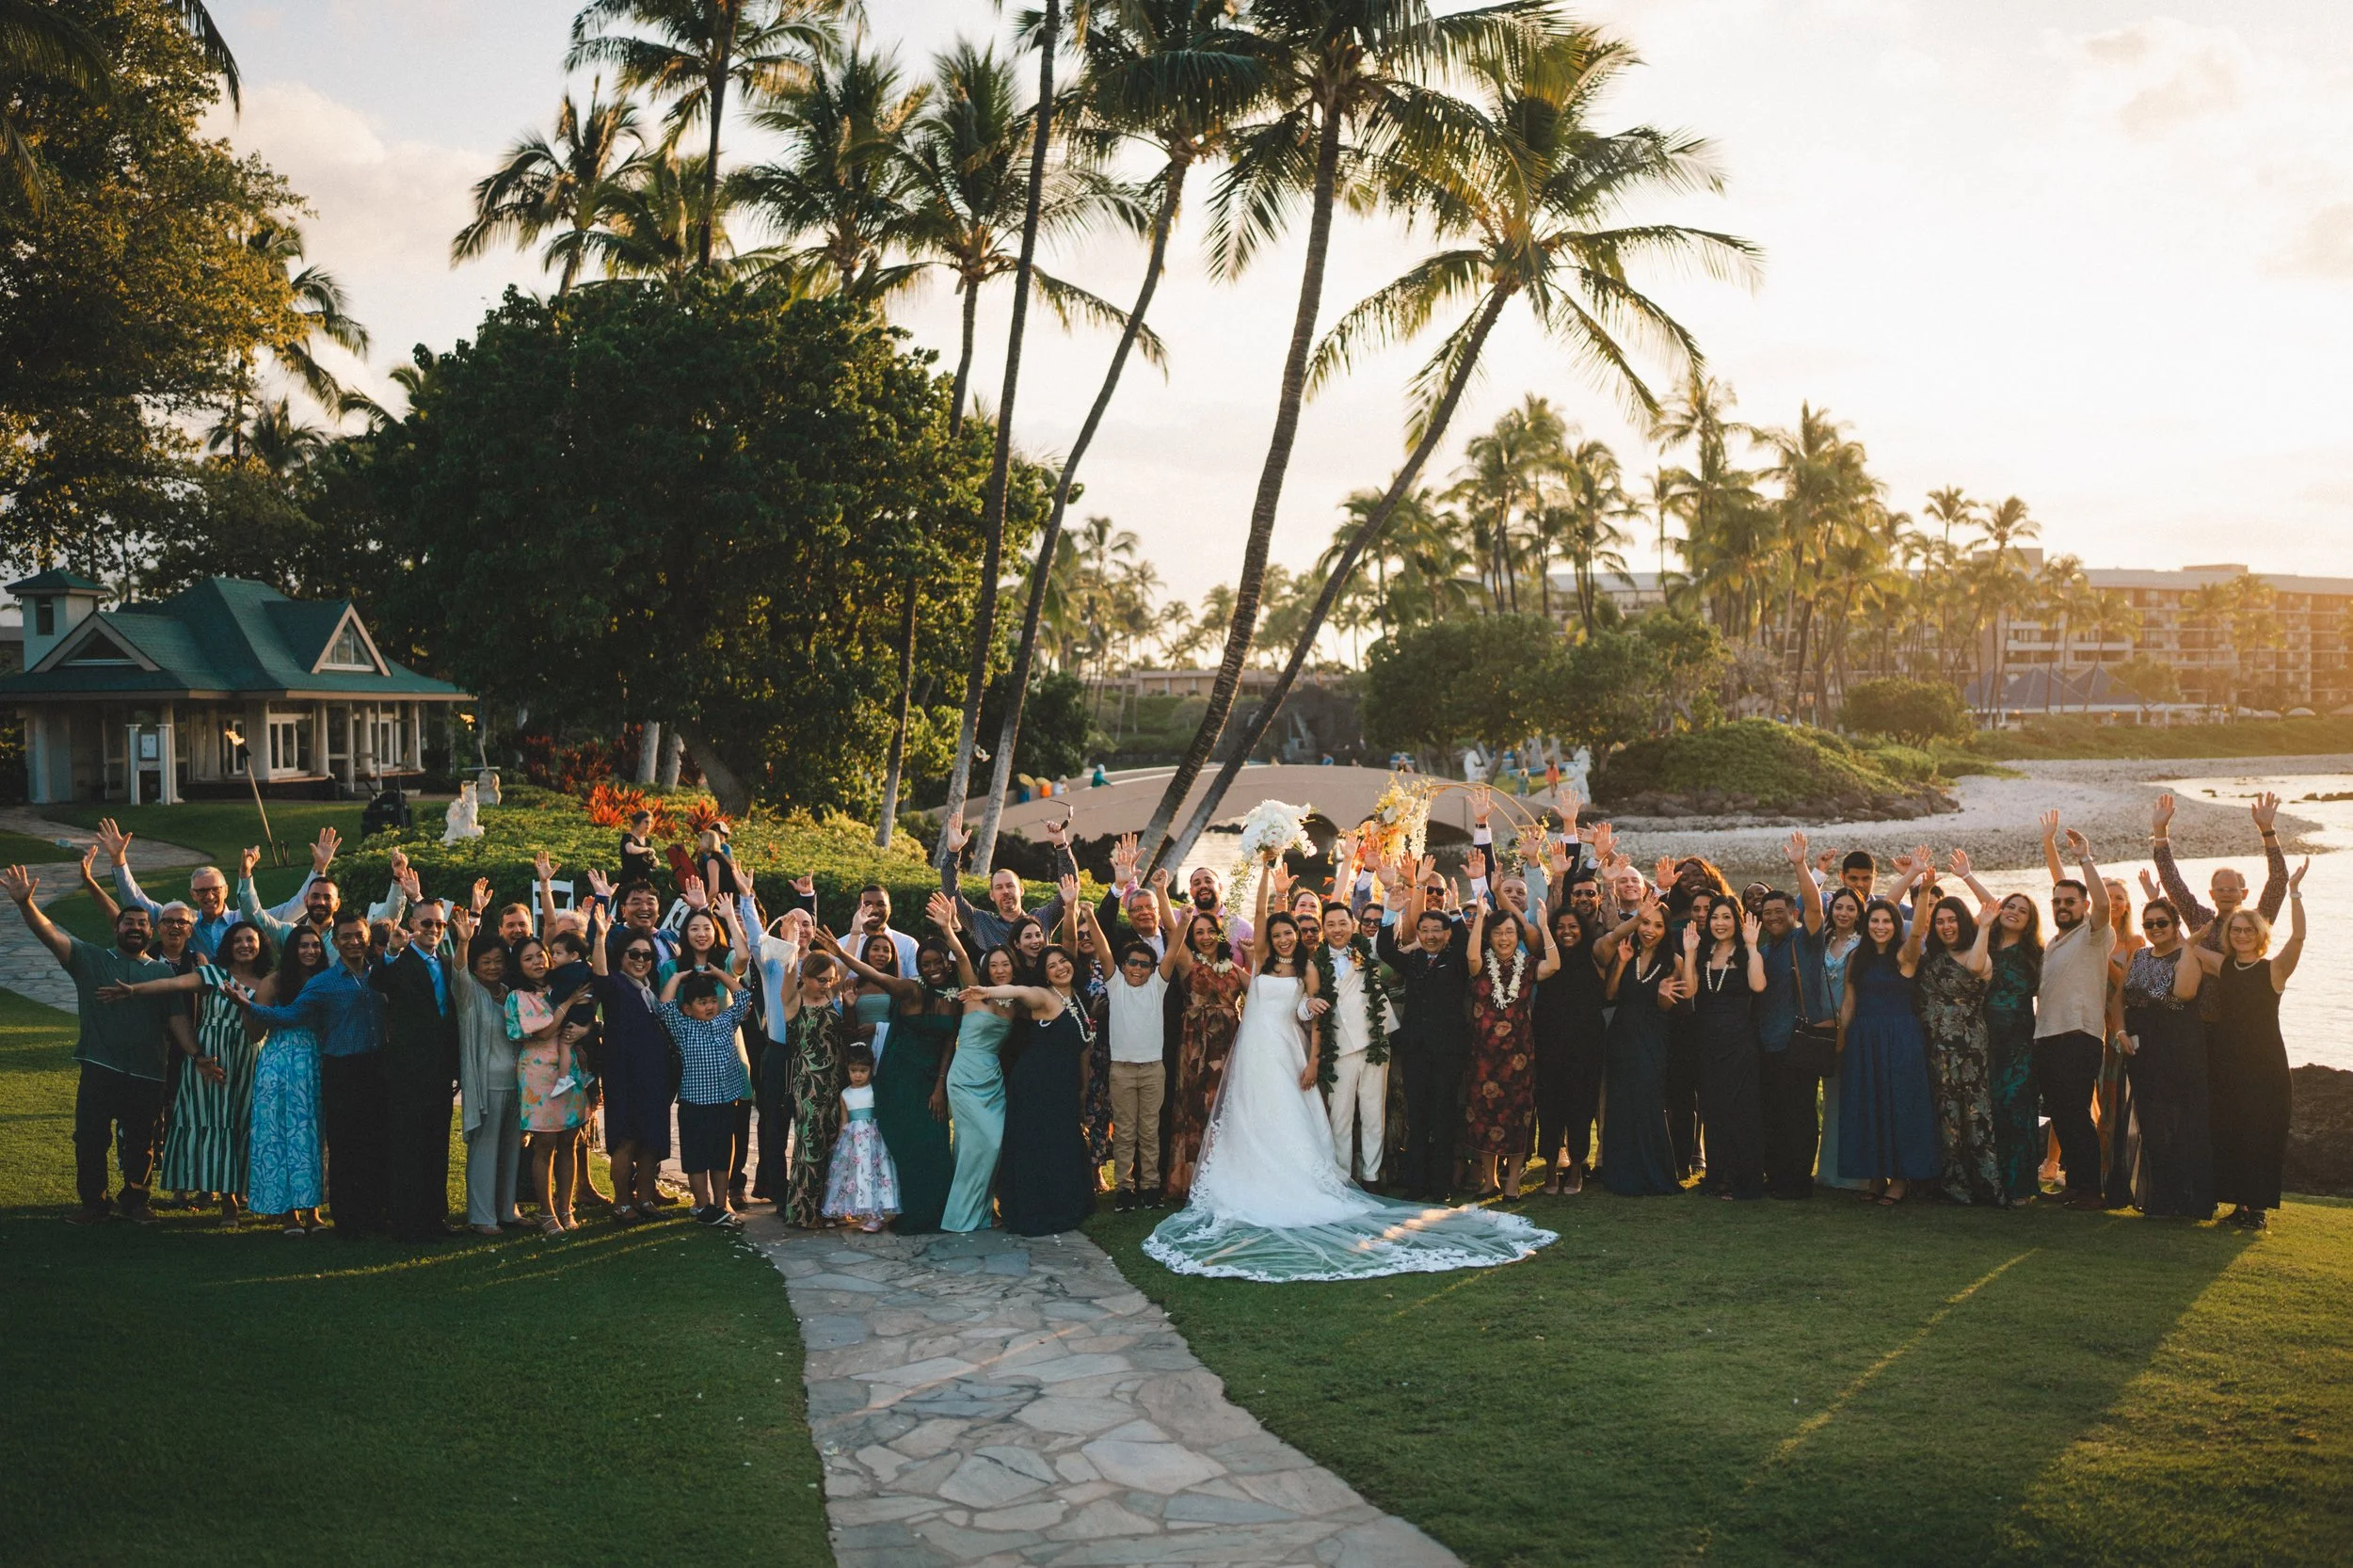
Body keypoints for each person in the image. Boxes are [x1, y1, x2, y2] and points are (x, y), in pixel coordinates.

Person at [1142, 848, 1556, 1282]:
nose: (1286, 937)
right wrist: (1271, 881)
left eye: (1299, 931)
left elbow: (1311, 1007)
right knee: (1264, 1117)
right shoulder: (1268, 961)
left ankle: (1370, 1178)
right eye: (1282, 932)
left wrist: (1312, 1017)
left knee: (1354, 1117)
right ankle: (1279, 1176)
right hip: (1260, 1052)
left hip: (1319, 1049)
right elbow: (1275, 939)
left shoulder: (1341, 957)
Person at [7, 865, 190, 1228]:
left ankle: (136, 1202)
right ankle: (94, 1204)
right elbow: (51, 936)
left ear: (150, 932)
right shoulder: (91, 959)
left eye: (141, 924)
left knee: (141, 1142)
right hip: (99, 1066)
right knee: (90, 1138)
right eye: (128, 923)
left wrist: (197, 1055)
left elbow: (177, 1020)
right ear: (117, 928)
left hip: (149, 1070)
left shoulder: (163, 974)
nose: (135, 928)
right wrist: (25, 905)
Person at [99, 920, 273, 1225]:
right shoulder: (214, 975)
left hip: (249, 1058)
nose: (245, 945)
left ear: (261, 945)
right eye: (239, 940)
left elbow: (265, 1026)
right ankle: (227, 1201)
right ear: (229, 946)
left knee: (244, 1123)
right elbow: (173, 984)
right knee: (215, 1124)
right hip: (211, 1060)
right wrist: (134, 989)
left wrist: (247, 1005)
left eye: (251, 940)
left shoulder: (268, 983)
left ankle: (245, 1190)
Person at [238, 906, 391, 1239]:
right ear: (335, 941)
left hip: (377, 1067)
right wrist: (248, 1006)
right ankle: (348, 1219)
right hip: (341, 1067)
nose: (353, 942)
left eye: (359, 936)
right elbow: (290, 1016)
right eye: (346, 937)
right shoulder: (323, 983)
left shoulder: (379, 974)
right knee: (344, 1146)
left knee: (376, 1143)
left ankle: (375, 1211)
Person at [815, 912, 960, 1236]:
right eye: (926, 964)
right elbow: (877, 977)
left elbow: (950, 1042)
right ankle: (907, 1211)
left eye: (938, 962)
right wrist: (842, 956)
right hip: (899, 1077)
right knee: (905, 1145)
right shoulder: (910, 990)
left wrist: (940, 1086)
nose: (933, 969)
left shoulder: (956, 997)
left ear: (947, 964)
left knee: (934, 1145)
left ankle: (937, 1213)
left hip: (930, 1079)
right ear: (919, 968)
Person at [2201, 865, 2304, 1230]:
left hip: (2266, 1068)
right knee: (2234, 1133)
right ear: (2229, 935)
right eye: (2236, 930)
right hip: (2229, 1065)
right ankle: (2240, 1207)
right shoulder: (2224, 966)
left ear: (2259, 935)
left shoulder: (2273, 971)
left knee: (2262, 1136)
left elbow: (2298, 939)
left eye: (2248, 930)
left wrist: (2294, 894)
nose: (2242, 935)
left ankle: (2256, 1210)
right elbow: (2190, 950)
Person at [971, 944, 1096, 1235]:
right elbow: (1019, 992)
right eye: (1051, 966)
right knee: (1038, 1145)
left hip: (1062, 1084)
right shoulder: (1046, 997)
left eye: (1063, 961)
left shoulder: (1077, 998)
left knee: (1062, 1143)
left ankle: (1067, 1203)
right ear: (1045, 975)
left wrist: (1083, 1087)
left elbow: (1083, 1050)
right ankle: (1035, 1208)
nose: (1060, 968)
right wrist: (988, 992)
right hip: (1036, 1083)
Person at [1835, 884, 1941, 1205]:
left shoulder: (1905, 956)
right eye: (1875, 921)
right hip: (1864, 1038)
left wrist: (1921, 895)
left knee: (1899, 1105)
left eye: (1887, 922)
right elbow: (1849, 1003)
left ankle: (1900, 1178)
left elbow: (1918, 932)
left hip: (1900, 1037)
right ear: (1867, 926)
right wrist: (1841, 1043)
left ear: (1896, 925)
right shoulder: (1857, 957)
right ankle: (1875, 1176)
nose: (1881, 927)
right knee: (1868, 1104)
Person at [1376, 857, 1474, 1203]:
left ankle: (1441, 1185)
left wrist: (1453, 907)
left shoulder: (1458, 959)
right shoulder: (1414, 960)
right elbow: (1384, 948)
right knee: (1418, 1118)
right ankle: (1416, 1184)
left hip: (1449, 1051)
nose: (1431, 936)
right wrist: (1391, 909)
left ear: (1446, 935)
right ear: (1419, 935)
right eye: (1425, 931)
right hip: (1416, 1049)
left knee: (1444, 1115)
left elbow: (1465, 942)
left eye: (1437, 931)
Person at [1081, 870, 1176, 1211]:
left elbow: (1174, 945)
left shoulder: (1158, 985)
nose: (1137, 967)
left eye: (1144, 963)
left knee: (1149, 1131)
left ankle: (1150, 1186)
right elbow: (1104, 950)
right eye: (1132, 963)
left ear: (1154, 968)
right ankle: (1125, 1186)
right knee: (1123, 1131)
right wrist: (1090, 915)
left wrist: (1184, 917)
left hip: (1153, 1069)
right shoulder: (1116, 984)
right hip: (1121, 1070)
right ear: (1123, 966)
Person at [370, 899, 462, 1240]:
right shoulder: (399, 961)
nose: (434, 930)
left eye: (439, 925)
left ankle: (435, 1216)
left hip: (440, 1070)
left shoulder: (449, 964)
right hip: (406, 1070)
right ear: (413, 924)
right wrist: (391, 952)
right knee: (407, 1146)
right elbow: (378, 981)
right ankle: (406, 1220)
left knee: (436, 1144)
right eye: (427, 924)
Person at [2032, 829, 2116, 1208]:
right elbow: (2061, 883)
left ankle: (2091, 1191)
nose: (2063, 906)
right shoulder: (2053, 943)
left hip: (2078, 1036)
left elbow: (2103, 904)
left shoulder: (2094, 936)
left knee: (2076, 1116)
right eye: (2057, 902)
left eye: (2070, 901)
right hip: (2047, 1036)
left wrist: (2085, 857)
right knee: (2062, 1117)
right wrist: (2049, 846)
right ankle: (2074, 1186)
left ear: (2082, 906)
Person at [2120, 898, 2214, 1220]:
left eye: (2162, 923)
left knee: (2178, 1125)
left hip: (2178, 1050)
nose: (2155, 929)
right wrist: (2119, 1031)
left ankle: (2183, 1200)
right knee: (2150, 1123)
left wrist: (2191, 945)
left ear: (2175, 925)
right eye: (2149, 924)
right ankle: (2159, 1196)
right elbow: (2120, 997)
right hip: (2140, 1050)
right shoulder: (2139, 955)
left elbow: (2185, 992)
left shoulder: (2187, 954)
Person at [1464, 899, 1561, 1200]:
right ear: (1489, 937)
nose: (1504, 939)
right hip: (1484, 1054)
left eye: (1509, 932)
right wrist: (1481, 917)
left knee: (1517, 1114)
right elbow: (1470, 957)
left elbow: (1555, 964)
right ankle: (1489, 1180)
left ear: (1517, 937)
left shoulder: (1528, 966)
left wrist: (1544, 927)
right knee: (1483, 1114)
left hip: (1518, 1055)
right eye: (1497, 933)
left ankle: (1512, 1182)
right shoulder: (1480, 964)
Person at [1915, 878, 2002, 1207]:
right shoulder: (1931, 959)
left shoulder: (1974, 953)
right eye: (1939, 922)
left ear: (1963, 922)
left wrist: (1984, 928)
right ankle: (1950, 1185)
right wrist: (1923, 891)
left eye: (1952, 920)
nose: (1946, 927)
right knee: (1943, 1114)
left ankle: (1982, 1185)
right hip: (1934, 1047)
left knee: (1973, 1114)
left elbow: (1976, 967)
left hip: (1968, 1050)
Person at [1754, 833, 1830, 1200]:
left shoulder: (1806, 941)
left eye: (1779, 912)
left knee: (1799, 1113)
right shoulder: (1762, 948)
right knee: (1771, 1112)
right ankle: (1777, 1175)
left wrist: (1801, 865)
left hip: (1797, 1041)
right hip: (1765, 1043)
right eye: (1766, 914)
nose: (1772, 918)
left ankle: (1798, 1179)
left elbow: (1815, 909)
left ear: (1792, 914)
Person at [585, 904, 671, 1220]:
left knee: (651, 1140)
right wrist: (600, 937)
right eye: (633, 954)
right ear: (621, 956)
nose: (640, 961)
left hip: (654, 1075)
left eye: (646, 956)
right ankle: (622, 1202)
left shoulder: (651, 990)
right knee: (626, 1139)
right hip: (624, 1075)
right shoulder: (616, 986)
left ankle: (645, 1199)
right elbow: (599, 975)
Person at [1679, 901, 1768, 1201]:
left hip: (1739, 1040)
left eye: (1726, 917)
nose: (1719, 922)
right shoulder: (1703, 954)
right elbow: (1689, 992)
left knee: (1740, 1110)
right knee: (1713, 1108)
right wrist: (1690, 953)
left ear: (1737, 920)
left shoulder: (1745, 953)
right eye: (1715, 917)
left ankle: (1743, 1180)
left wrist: (1753, 945)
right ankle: (1717, 1176)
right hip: (1706, 1039)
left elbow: (1758, 985)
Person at [659, 957, 756, 1228]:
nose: (710, 1006)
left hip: (725, 1102)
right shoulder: (684, 1027)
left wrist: (719, 974)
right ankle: (702, 1205)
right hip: (694, 1105)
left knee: (721, 1156)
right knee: (697, 1158)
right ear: (688, 1009)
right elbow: (665, 1005)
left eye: (712, 1001)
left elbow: (743, 996)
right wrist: (678, 978)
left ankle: (719, 1203)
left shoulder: (726, 1021)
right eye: (702, 1003)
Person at [1600, 894, 1685, 1197]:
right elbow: (1610, 995)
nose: (1649, 930)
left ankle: (1654, 1174)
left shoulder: (1674, 962)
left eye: (1657, 926)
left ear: (1666, 930)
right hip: (1622, 1036)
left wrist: (1662, 992)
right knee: (1622, 1104)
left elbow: (1666, 1007)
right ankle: (1621, 1173)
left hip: (1652, 1038)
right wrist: (1621, 964)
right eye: (1646, 923)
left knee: (1648, 1103)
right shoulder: (1627, 951)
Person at [1532, 891, 1615, 1196]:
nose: (1567, 932)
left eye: (1573, 927)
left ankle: (1577, 1168)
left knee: (1581, 1106)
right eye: (1561, 927)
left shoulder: (1593, 957)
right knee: (1550, 1106)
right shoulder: (1546, 959)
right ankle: (1551, 1170)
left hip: (1585, 1043)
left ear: (1582, 929)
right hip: (1549, 1041)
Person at [446, 908, 522, 1234]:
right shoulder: (470, 993)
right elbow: (459, 973)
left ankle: (507, 1210)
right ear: (477, 965)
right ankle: (481, 1217)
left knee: (511, 1150)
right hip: (486, 1084)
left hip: (515, 1084)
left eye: (497, 961)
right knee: (485, 1150)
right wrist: (464, 942)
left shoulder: (509, 995)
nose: (493, 967)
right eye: (486, 962)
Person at [1311, 895, 1394, 1192]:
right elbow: (1301, 1002)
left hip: (1374, 1042)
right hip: (1339, 1048)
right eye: (1330, 924)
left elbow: (1390, 934)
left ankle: (1371, 1177)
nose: (1337, 929)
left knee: (1374, 1114)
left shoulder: (1367, 950)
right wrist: (1309, 1004)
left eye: (1342, 923)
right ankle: (1342, 1178)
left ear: (1352, 925)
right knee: (1340, 1117)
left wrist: (1394, 901)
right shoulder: (1314, 962)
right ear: (1323, 929)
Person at [506, 934, 588, 1234]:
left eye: (540, 955)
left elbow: (587, 1013)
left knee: (570, 1139)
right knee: (545, 1144)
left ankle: (566, 1209)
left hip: (569, 1068)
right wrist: (568, 1003)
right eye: (528, 958)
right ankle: (546, 1212)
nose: (537, 962)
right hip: (538, 1072)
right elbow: (542, 1032)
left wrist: (584, 1028)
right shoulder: (519, 996)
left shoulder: (560, 984)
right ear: (519, 965)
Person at [1165, 908, 1246, 1201]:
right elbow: (1171, 924)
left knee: (1224, 1107)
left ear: (1220, 933)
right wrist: (1162, 891)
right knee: (1196, 1108)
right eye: (1198, 932)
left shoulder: (1233, 968)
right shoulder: (1188, 963)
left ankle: (1227, 1177)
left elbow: (1263, 988)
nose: (1205, 937)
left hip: (1228, 1044)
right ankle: (1194, 1180)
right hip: (1196, 1046)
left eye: (1210, 930)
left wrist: (1248, 957)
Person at [1982, 890, 2045, 1206]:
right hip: (1985, 1036)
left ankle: (2019, 1186)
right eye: (2010, 906)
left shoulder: (2034, 953)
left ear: (2030, 920)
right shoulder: (1986, 944)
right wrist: (1967, 876)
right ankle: (1990, 1182)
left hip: (2020, 1038)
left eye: (2023, 910)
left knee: (2017, 1110)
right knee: (1989, 1109)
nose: (2014, 912)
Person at [936, 814, 1077, 953]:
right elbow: (952, 897)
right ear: (991, 895)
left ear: (1021, 890)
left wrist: (1061, 845)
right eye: (999, 887)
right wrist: (953, 853)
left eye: (1010, 886)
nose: (1005, 891)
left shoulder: (1041, 918)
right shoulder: (981, 922)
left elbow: (1069, 888)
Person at [778, 952, 848, 1228]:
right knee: (810, 1147)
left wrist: (854, 932)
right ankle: (803, 1213)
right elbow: (788, 974)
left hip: (835, 1081)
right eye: (821, 980)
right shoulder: (794, 999)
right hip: (808, 1084)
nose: (827, 985)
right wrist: (792, 945)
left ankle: (828, 1209)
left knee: (832, 1143)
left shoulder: (832, 997)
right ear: (805, 977)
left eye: (830, 980)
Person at [1811, 886, 1869, 1193]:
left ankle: (1854, 1175)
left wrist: (1842, 1031)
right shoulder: (1824, 940)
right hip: (1819, 1025)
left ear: (1859, 913)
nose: (1843, 914)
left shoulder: (1861, 946)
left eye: (1850, 909)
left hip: (1848, 1025)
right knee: (1831, 1097)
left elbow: (1851, 993)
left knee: (1850, 1096)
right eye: (1839, 907)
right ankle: (1828, 1172)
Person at [820, 1045, 900, 1232]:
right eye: (853, 1071)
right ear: (847, 1069)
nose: (858, 1075)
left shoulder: (874, 1090)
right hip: (854, 1141)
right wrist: (840, 1142)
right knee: (858, 1175)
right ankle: (864, 1213)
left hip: (873, 1139)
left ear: (871, 1069)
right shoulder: (845, 1094)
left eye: (863, 1071)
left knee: (873, 1173)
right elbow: (844, 1120)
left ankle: (875, 1215)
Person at [618, 809, 662, 887]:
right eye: (646, 822)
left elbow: (646, 860)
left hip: (643, 881)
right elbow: (630, 849)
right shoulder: (628, 837)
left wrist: (654, 863)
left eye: (650, 822)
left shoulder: (647, 841)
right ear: (637, 822)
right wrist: (647, 849)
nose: (649, 825)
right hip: (628, 881)